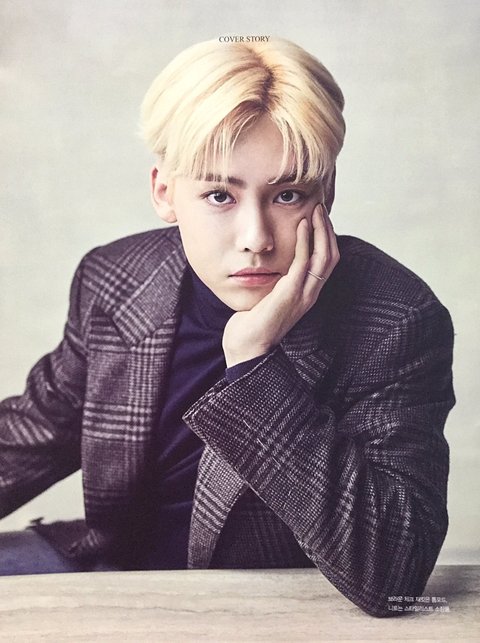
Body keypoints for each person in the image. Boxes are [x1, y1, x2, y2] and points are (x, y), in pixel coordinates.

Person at [0, 38, 455, 617]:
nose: (256, 238)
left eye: (287, 195)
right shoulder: (117, 279)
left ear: (327, 193)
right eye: (219, 195)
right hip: (109, 570)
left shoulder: (393, 318)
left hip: (267, 607)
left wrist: (254, 363)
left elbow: (395, 570)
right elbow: (33, 434)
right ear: (164, 192)